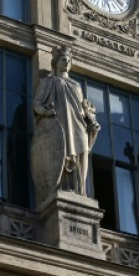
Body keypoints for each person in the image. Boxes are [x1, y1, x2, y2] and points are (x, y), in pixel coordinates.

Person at [30, 46, 100, 209]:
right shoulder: (48, 82)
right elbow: (37, 105)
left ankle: (80, 191)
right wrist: (46, 112)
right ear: (55, 62)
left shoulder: (76, 85)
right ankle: (62, 188)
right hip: (60, 124)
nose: (67, 62)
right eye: (63, 59)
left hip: (78, 125)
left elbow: (82, 108)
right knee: (63, 153)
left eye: (69, 60)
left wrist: (90, 117)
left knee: (82, 154)